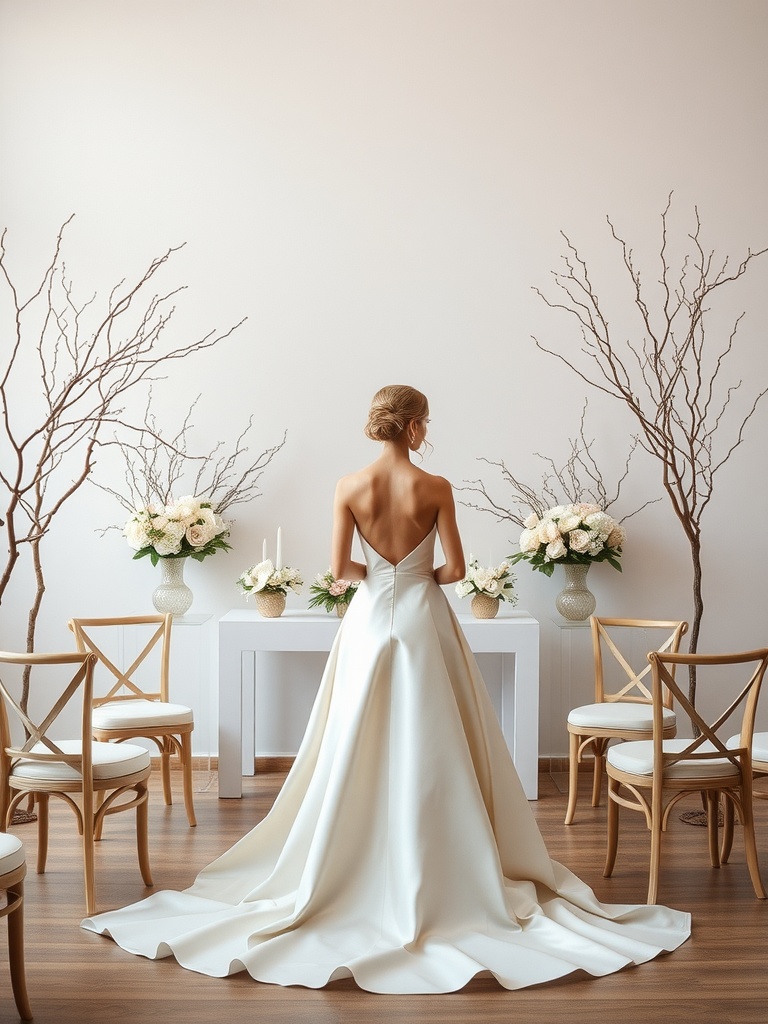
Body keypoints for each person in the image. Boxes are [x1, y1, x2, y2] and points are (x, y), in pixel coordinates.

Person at [83, 384, 690, 994]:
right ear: (415, 425)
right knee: (436, 733)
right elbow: (453, 571)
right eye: (426, 422)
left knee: (353, 735)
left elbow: (342, 570)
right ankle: (445, 857)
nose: (428, 431)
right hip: (425, 620)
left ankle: (350, 855)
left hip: (370, 621)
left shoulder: (349, 486)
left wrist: (382, 572)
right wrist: (418, 571)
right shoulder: (437, 487)